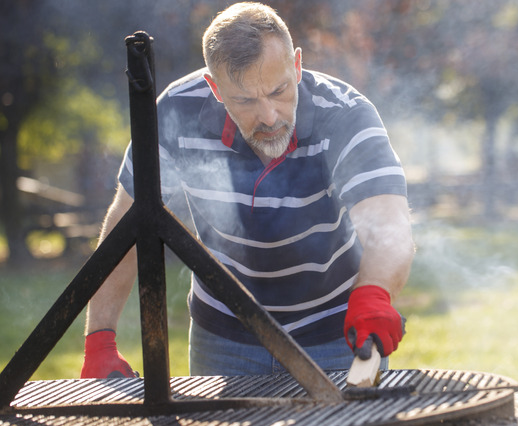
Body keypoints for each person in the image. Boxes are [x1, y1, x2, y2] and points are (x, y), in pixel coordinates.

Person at [80, 2, 414, 378]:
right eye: (245, 100)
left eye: (279, 90)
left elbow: (389, 223)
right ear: (215, 88)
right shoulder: (175, 112)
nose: (269, 115)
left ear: (297, 65)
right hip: (224, 337)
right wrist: (100, 340)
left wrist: (373, 295)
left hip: (336, 333)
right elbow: (128, 224)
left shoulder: (346, 114)